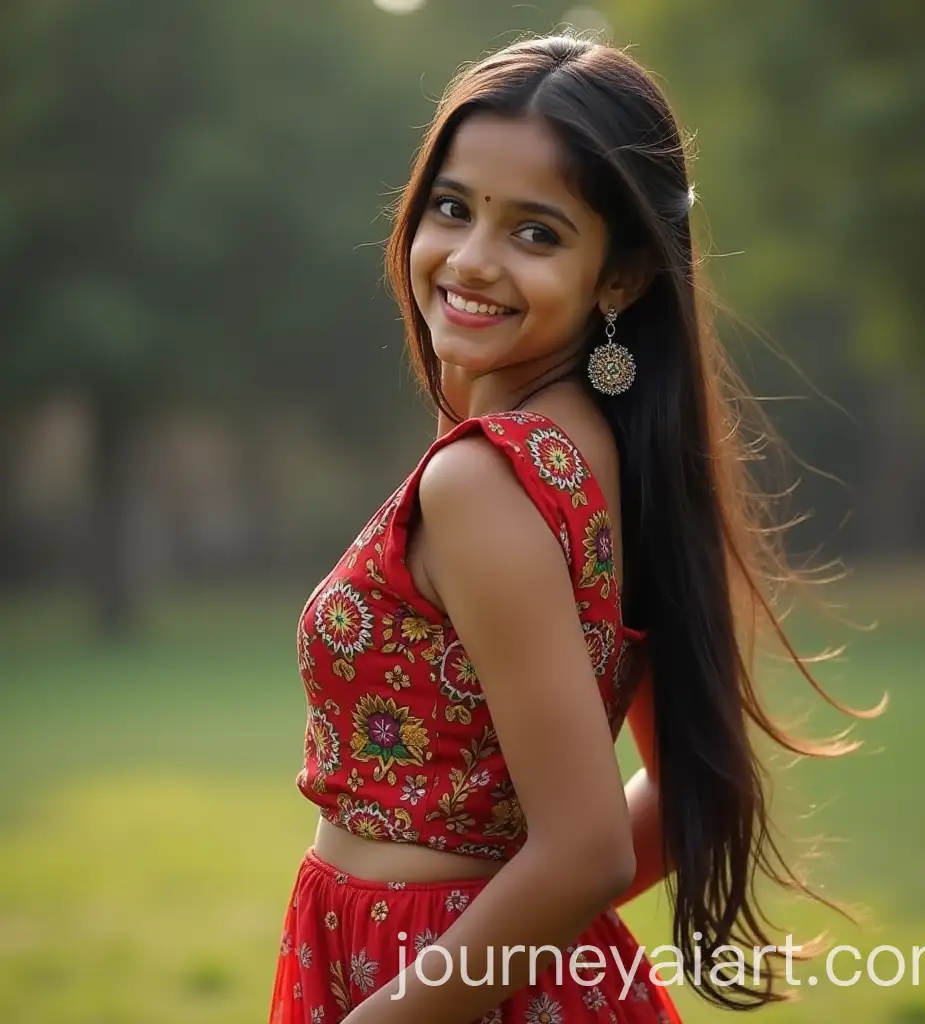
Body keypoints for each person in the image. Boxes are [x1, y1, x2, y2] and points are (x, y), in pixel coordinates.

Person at [268, 33, 877, 1024]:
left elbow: (586, 847)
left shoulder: (483, 481)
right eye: (452, 208)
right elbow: (663, 798)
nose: (469, 259)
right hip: (505, 976)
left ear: (622, 277)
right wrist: (522, 918)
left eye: (536, 233)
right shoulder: (608, 450)